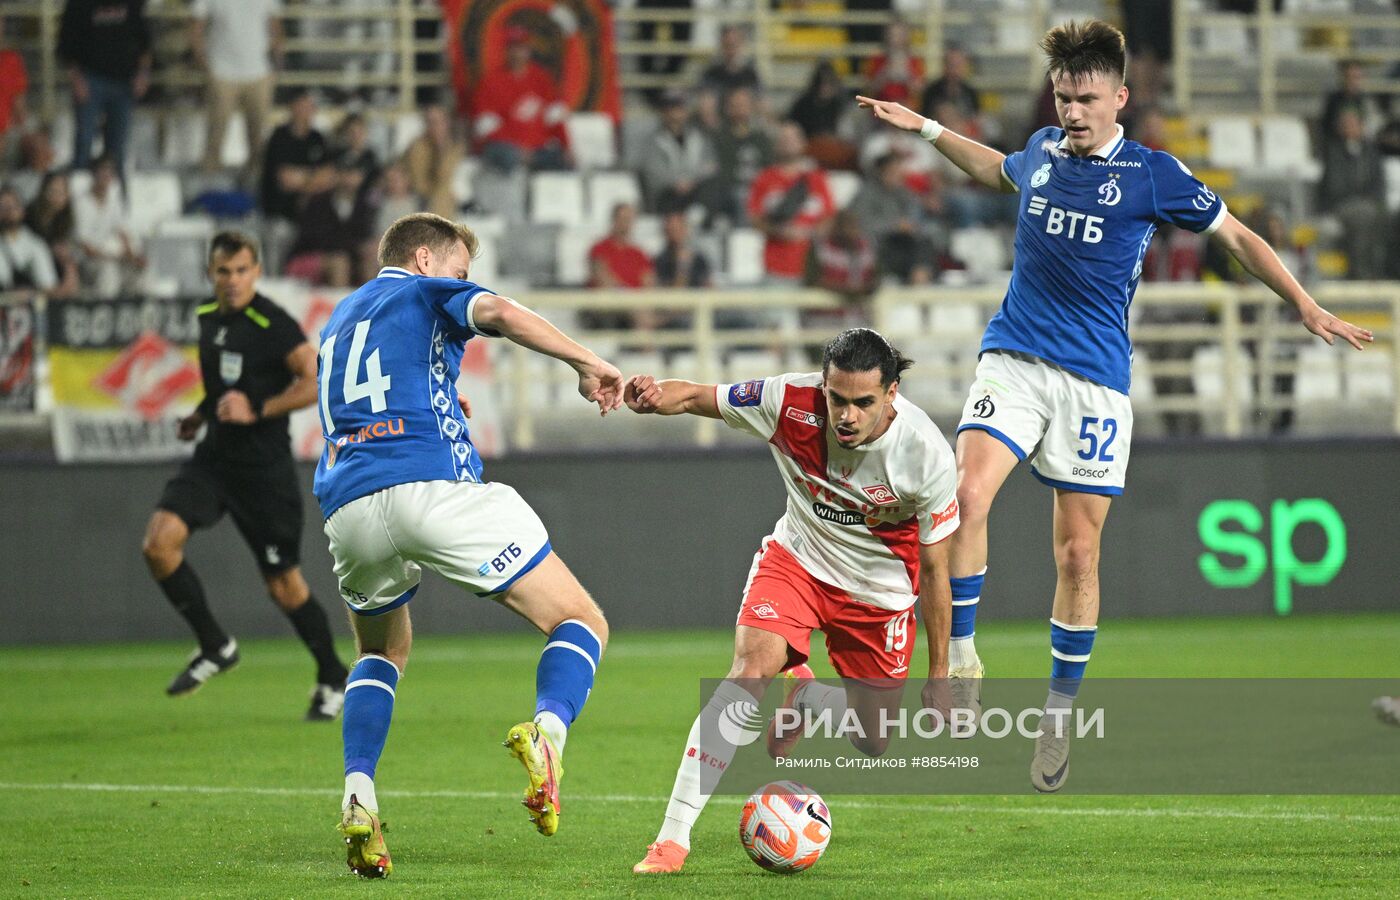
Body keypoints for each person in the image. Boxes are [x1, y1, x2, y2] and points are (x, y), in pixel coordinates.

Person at [857, 19, 1373, 793]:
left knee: (1078, 553)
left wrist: (1302, 300)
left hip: (1096, 381)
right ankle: (960, 656)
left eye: (1087, 98)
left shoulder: (1152, 174)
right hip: (1017, 358)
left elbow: (1234, 236)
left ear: (1120, 98)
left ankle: (1058, 711)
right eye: (1063, 96)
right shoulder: (1041, 151)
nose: (1072, 111)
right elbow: (997, 169)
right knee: (963, 496)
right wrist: (928, 127)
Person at [317, 213, 621, 877]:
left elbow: (374, 395)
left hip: (348, 507)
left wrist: (445, 401)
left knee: (382, 649)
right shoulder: (426, 291)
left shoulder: (340, 318)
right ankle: (548, 734)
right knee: (579, 620)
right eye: (459, 270)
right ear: (425, 259)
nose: (464, 282)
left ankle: (358, 793)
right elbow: (503, 314)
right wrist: (589, 361)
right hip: (431, 489)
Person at [627, 328, 959, 874]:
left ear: (892, 393)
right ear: (822, 386)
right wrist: (649, 395)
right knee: (747, 673)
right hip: (797, 562)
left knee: (873, 738)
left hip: (879, 593)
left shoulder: (925, 455)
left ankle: (805, 696)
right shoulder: (787, 401)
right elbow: (695, 396)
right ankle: (671, 840)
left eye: (863, 402)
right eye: (837, 399)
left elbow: (939, 571)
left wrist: (941, 670)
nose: (846, 416)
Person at [141, 231, 350, 721]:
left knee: (284, 586)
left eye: (241, 271)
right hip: (214, 459)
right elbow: (223, 387)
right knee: (158, 544)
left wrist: (257, 408)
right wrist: (200, 413)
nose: (232, 281)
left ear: (256, 271)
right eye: (223, 271)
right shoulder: (207, 319)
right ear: (210, 274)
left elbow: (313, 382)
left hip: (263, 471)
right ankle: (215, 645)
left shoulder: (274, 324)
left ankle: (332, 676)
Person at [189, 0, 283, 172]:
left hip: (259, 72)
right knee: (215, 133)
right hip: (222, 71)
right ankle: (209, 180)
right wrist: (203, 62)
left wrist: (276, 62)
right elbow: (197, 25)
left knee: (258, 135)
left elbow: (275, 25)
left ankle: (256, 182)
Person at [58, 0, 151, 172]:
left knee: (118, 146)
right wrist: (76, 78)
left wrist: (142, 75)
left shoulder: (133, 4)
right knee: (84, 141)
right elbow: (65, 43)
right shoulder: (78, 4)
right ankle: (80, 187)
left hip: (124, 82)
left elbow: (144, 40)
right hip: (90, 79)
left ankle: (115, 194)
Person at [471, 27, 570, 173]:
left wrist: (566, 146)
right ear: (507, 50)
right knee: (507, 156)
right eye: (514, 47)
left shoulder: (541, 78)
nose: (518, 52)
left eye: (522, 47)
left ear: (529, 50)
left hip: (538, 149)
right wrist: (518, 148)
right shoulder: (491, 81)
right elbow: (485, 129)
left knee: (562, 160)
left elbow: (555, 119)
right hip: (504, 149)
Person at [746, 121, 835, 283]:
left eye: (793, 139)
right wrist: (779, 230)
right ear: (776, 144)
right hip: (776, 267)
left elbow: (830, 217)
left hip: (813, 267)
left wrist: (810, 232)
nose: (788, 143)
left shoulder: (817, 179)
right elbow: (755, 219)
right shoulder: (764, 179)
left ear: (802, 143)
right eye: (784, 139)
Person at [0, 185, 58, 293]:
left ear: (22, 210)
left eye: (13, 206)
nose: (9, 212)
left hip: (28, 304)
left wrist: (28, 293)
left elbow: (48, 286)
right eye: (3, 207)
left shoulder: (36, 245)